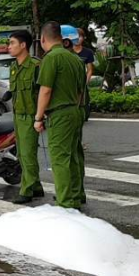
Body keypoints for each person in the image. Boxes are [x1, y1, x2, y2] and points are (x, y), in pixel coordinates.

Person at [34, 21, 88, 209]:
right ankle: (74, 196)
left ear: (43, 39)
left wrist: (38, 117)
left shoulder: (51, 58)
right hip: (75, 110)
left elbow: (45, 90)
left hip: (60, 114)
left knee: (59, 159)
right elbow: (81, 91)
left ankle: (65, 203)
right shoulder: (75, 59)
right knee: (73, 156)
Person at [7, 30, 43, 204]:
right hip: (17, 115)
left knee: (28, 154)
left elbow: (44, 91)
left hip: (31, 116)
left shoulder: (36, 66)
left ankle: (26, 190)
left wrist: (40, 117)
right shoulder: (13, 67)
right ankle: (36, 186)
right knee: (22, 154)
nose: (9, 47)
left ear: (23, 45)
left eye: (12, 43)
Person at [72, 28, 96, 120]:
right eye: (75, 37)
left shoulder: (88, 52)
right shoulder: (67, 51)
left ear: (83, 38)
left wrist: (86, 81)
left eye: (80, 37)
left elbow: (89, 69)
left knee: (83, 99)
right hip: (69, 80)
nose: (78, 39)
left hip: (82, 80)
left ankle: (83, 115)